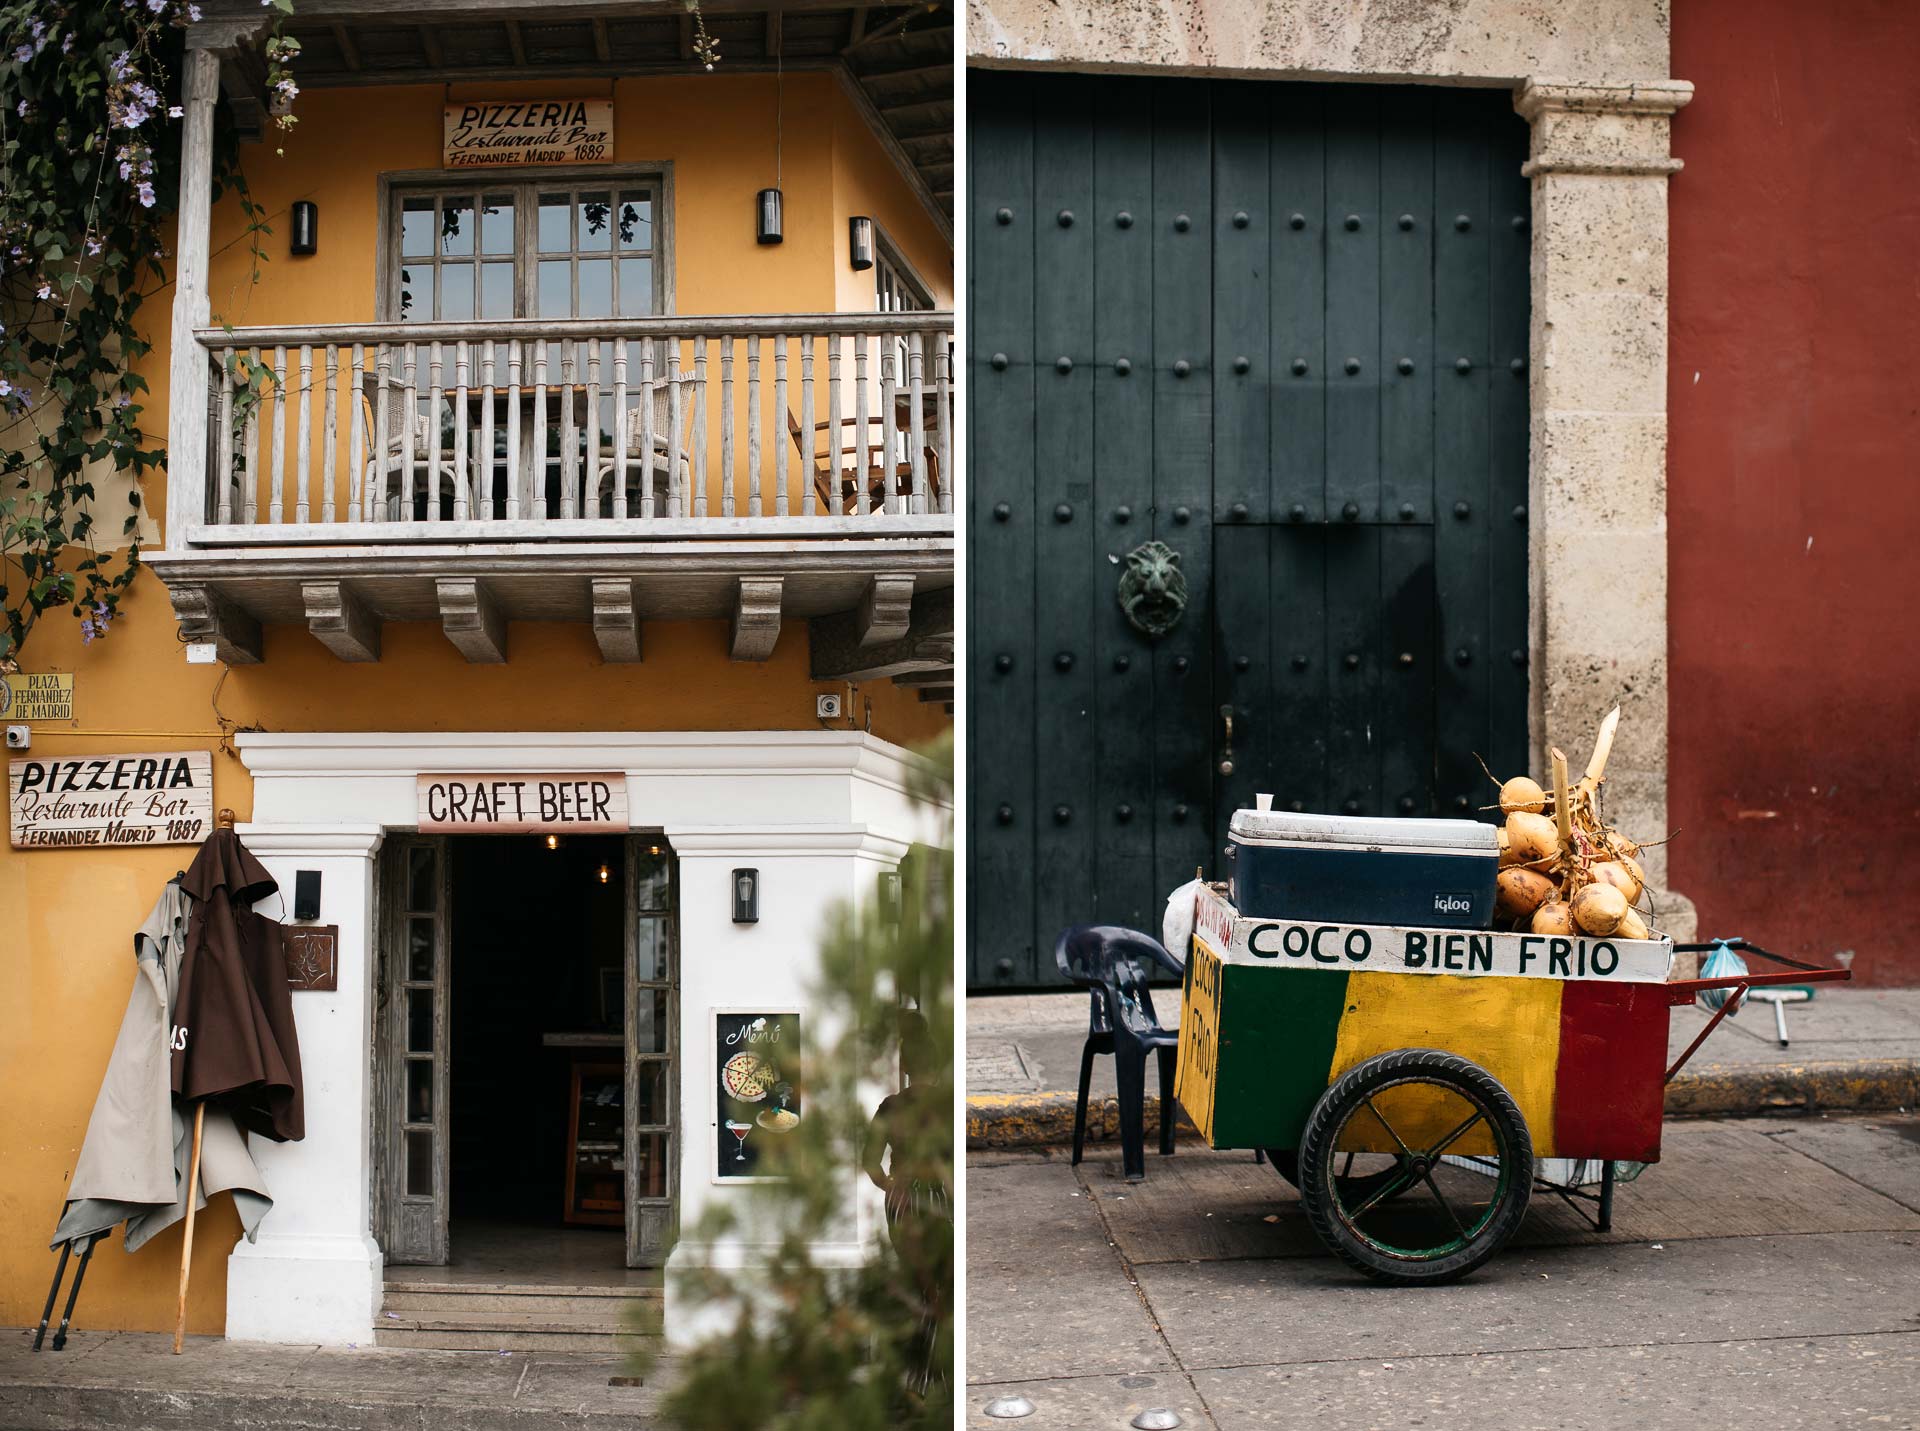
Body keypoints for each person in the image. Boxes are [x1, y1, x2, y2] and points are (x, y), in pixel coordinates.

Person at [863, 1009, 950, 1393]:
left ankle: (916, 1376)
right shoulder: (946, 1106)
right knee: (940, 1285)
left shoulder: (890, 1106)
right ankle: (932, 1376)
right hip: (940, 1199)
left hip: (901, 1200)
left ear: (907, 1069)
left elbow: (869, 1163)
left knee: (917, 1283)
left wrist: (891, 1186)